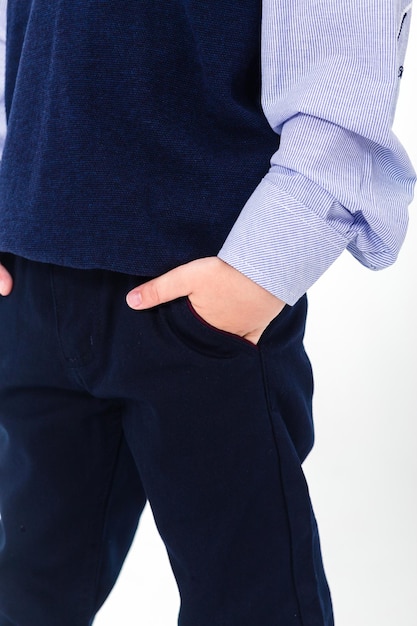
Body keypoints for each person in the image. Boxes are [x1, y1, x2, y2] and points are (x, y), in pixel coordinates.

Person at [0, 0, 415, 624]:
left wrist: (255, 274)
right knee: (24, 594)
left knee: (251, 602)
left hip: (200, 300)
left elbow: (343, 55)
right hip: (34, 280)